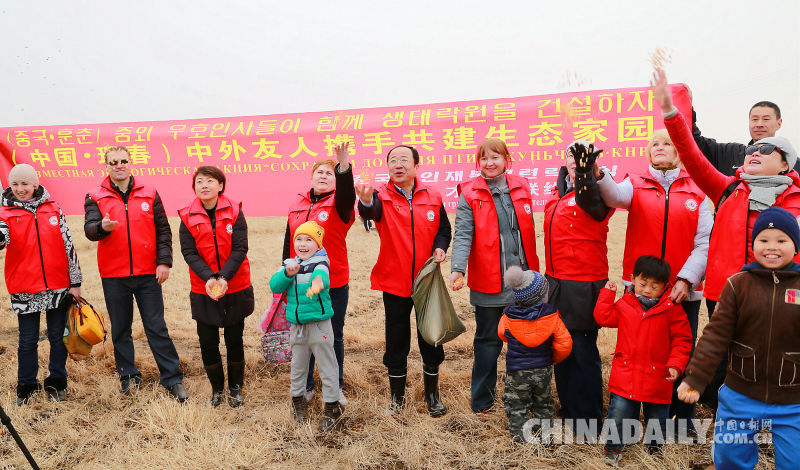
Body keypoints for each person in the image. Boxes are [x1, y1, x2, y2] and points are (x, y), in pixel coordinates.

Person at [653, 68, 800, 408]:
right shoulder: (727, 189)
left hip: (776, 295)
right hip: (725, 290)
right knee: (720, 354)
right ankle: (724, 421)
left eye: (766, 151)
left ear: (784, 164)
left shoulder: (794, 199)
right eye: (753, 150)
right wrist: (672, 112)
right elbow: (691, 152)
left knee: (764, 362)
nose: (754, 153)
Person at [596, 127, 711, 425]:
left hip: (682, 290)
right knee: (638, 349)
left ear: (679, 152)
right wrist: (598, 174)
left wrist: (686, 279)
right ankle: (634, 411)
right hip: (641, 288)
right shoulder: (635, 182)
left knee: (682, 351)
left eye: (667, 143)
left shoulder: (697, 191)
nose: (660, 147)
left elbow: (704, 243)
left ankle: (681, 417)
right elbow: (614, 196)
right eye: (654, 144)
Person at [677, 207, 800, 469]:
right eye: (763, 240)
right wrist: (696, 379)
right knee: (730, 459)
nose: (772, 247)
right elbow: (715, 337)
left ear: (795, 245)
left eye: (782, 240)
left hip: (793, 400)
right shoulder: (737, 285)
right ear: (753, 245)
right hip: (740, 395)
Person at [84, 146, 186, 401]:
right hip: (114, 274)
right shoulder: (95, 195)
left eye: (123, 161)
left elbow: (163, 230)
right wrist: (102, 227)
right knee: (120, 329)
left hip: (148, 274)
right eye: (113, 162)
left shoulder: (149, 193)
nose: (119, 165)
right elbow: (89, 229)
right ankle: (129, 377)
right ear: (106, 166)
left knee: (156, 326)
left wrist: (164, 262)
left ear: (130, 163)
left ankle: (172, 378)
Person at [356, 144, 452, 416]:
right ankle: (397, 400)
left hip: (427, 281)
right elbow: (369, 211)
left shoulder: (432, 196)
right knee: (396, 340)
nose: (398, 165)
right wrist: (364, 201)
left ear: (416, 165)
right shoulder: (380, 196)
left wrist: (441, 246)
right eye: (392, 161)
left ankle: (432, 395)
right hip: (394, 281)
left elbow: (444, 229)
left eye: (403, 160)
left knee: (431, 338)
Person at [450, 138, 539, 414]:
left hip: (523, 282)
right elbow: (463, 233)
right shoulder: (469, 193)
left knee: (524, 342)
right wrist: (458, 268)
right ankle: (482, 400)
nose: (489, 163)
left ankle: (521, 398)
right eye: (484, 159)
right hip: (489, 282)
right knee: (488, 341)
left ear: (506, 159)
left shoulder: (521, 186)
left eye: (495, 157)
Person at [594, 256, 692, 463]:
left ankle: (655, 448)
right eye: (643, 284)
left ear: (666, 286)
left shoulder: (672, 309)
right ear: (633, 279)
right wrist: (607, 293)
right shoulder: (625, 303)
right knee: (618, 413)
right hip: (626, 371)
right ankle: (612, 448)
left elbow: (682, 340)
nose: (647, 290)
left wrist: (675, 365)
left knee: (657, 415)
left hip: (658, 374)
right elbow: (603, 317)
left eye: (654, 286)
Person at [543, 141, 612, 431]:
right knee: (560, 347)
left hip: (584, 285)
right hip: (556, 283)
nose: (575, 161)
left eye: (582, 157)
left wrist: (586, 173)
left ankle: (588, 418)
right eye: (571, 155)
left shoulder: (596, 193)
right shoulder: (556, 196)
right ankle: (569, 407)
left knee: (583, 351)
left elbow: (591, 204)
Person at [0, 164, 82, 405]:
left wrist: (75, 282)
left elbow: (69, 246)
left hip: (58, 286)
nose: (20, 189)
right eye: (15, 184)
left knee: (58, 337)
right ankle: (26, 386)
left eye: (25, 184)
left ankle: (57, 382)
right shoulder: (5, 213)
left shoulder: (53, 209)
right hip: (25, 288)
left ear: (35, 185)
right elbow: (2, 236)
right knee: (27, 340)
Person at [283, 143, 355, 405]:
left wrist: (343, 166)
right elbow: (289, 241)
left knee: (331, 336)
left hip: (331, 282)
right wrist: (286, 271)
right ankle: (307, 386)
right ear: (311, 177)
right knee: (303, 334)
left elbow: (347, 193)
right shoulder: (297, 204)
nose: (324, 176)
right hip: (299, 282)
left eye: (329, 173)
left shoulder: (340, 203)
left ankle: (334, 387)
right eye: (320, 172)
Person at [179, 166, 253, 407]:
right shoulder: (186, 216)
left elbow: (240, 247)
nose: (204, 185)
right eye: (199, 181)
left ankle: (235, 388)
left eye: (210, 181)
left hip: (234, 283)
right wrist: (209, 277)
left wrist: (224, 276)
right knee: (207, 340)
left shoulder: (234, 210)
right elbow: (188, 253)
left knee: (234, 338)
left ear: (220, 185)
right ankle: (217, 390)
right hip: (204, 287)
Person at [270, 221, 343, 431]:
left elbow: (322, 276)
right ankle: (298, 402)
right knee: (298, 367)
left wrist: (318, 284)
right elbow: (274, 285)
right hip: (297, 327)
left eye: (309, 240)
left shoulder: (320, 262)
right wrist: (287, 274)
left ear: (318, 244)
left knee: (328, 367)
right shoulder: (289, 264)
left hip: (319, 326)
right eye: (299, 239)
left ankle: (332, 407)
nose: (303, 244)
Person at [498, 266, 572, 443]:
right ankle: (545, 435)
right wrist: (553, 359)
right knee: (544, 403)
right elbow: (565, 344)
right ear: (542, 296)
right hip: (543, 369)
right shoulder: (552, 317)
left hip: (517, 371)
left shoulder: (508, 317)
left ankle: (520, 438)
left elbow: (502, 334)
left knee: (516, 404)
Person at [692, 99, 798, 176]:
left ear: (779, 123)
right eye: (755, 119)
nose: (759, 124)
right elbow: (694, 142)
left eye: (766, 119)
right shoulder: (730, 153)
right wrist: (685, 105)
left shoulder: (793, 164)